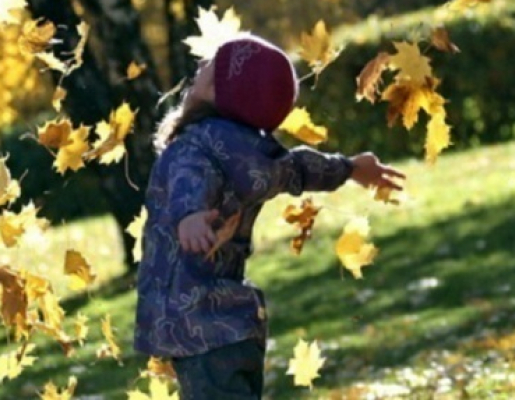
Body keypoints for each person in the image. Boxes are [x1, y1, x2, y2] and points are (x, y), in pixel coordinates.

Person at [134, 33, 405, 400]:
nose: (199, 68)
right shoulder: (260, 157)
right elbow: (303, 168)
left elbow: (189, 177)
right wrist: (351, 167)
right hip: (237, 324)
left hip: (197, 325)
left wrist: (189, 215)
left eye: (207, 67)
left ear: (215, 91)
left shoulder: (193, 147)